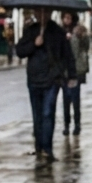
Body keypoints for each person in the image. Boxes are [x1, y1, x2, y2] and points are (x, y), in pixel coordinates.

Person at [15, 11, 76, 162]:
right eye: (38, 11)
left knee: (48, 112)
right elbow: (20, 51)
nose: (41, 15)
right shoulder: (31, 31)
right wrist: (34, 44)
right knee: (37, 115)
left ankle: (47, 149)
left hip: (51, 80)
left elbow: (67, 54)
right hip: (34, 79)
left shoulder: (57, 31)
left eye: (44, 12)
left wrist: (71, 75)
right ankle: (39, 147)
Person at [60, 11, 90, 136]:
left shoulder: (78, 31)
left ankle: (77, 125)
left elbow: (86, 47)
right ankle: (66, 125)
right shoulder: (60, 31)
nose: (66, 20)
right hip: (64, 71)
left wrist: (80, 35)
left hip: (76, 70)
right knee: (66, 100)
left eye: (69, 17)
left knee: (75, 99)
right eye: (65, 17)